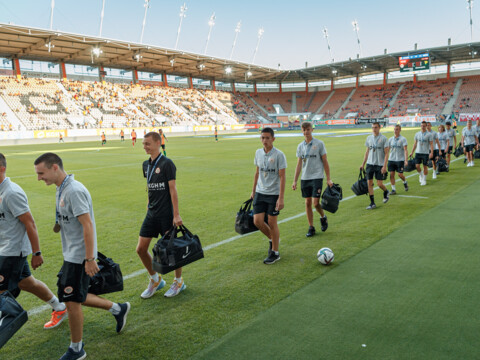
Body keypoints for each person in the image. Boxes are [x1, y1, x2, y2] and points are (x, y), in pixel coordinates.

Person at [34, 153, 130, 360]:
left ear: (55, 168)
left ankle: (77, 349)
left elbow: (88, 225)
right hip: (72, 254)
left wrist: (89, 259)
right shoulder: (62, 188)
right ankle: (118, 309)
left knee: (71, 300)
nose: (39, 178)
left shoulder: (74, 191)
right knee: (75, 295)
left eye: (41, 173)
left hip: (79, 256)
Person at [0, 153, 67, 330]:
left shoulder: (11, 193)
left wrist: (37, 253)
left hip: (12, 251)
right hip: (3, 248)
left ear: (2, 169)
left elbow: (30, 223)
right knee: (26, 282)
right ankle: (59, 307)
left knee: (2, 291)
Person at [136, 132, 185, 298]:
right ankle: (155, 280)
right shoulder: (145, 164)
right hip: (151, 213)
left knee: (172, 250)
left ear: (158, 143)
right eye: (143, 144)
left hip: (166, 214)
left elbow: (173, 189)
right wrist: (147, 205)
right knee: (141, 249)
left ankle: (179, 282)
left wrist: (176, 214)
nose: (144, 146)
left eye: (147, 143)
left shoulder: (167, 163)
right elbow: (149, 186)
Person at [251, 127, 287, 264]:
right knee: (257, 221)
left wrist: (281, 198)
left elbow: (282, 177)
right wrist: (253, 190)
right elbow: (257, 172)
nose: (264, 140)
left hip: (273, 194)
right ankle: (273, 240)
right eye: (262, 138)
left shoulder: (279, 155)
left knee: (272, 222)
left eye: (267, 138)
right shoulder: (258, 153)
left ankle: (275, 252)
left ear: (273, 139)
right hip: (260, 192)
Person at [292, 122, 332, 237]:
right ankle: (311, 227)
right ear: (302, 131)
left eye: (308, 129)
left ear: (312, 130)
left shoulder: (319, 144)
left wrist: (328, 178)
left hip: (317, 176)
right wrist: (295, 180)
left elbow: (325, 161)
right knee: (307, 202)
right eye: (304, 130)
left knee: (315, 203)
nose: (306, 132)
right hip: (305, 178)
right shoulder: (300, 146)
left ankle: (323, 217)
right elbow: (299, 164)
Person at [360, 122, 389, 210]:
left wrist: (384, 166)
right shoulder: (369, 138)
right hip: (370, 164)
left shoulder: (384, 138)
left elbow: (386, 153)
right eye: (372, 127)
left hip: (379, 165)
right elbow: (367, 152)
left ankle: (386, 191)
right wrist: (363, 164)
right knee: (369, 183)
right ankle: (372, 203)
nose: (374, 129)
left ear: (379, 128)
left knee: (379, 184)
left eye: (375, 127)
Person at [409, 121, 434, 186]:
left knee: (425, 166)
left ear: (426, 126)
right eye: (421, 126)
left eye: (424, 126)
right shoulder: (417, 134)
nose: (422, 127)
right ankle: (421, 175)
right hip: (418, 152)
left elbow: (431, 144)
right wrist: (412, 152)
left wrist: (431, 152)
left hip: (425, 153)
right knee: (417, 166)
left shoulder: (429, 134)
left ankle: (424, 180)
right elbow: (415, 144)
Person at [387, 124, 409, 195]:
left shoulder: (403, 139)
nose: (395, 131)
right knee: (391, 174)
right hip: (391, 159)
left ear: (400, 130)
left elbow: (405, 150)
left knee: (400, 174)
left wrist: (406, 160)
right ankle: (393, 189)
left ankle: (405, 182)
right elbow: (387, 150)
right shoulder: (390, 139)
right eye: (394, 129)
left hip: (400, 159)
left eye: (397, 129)